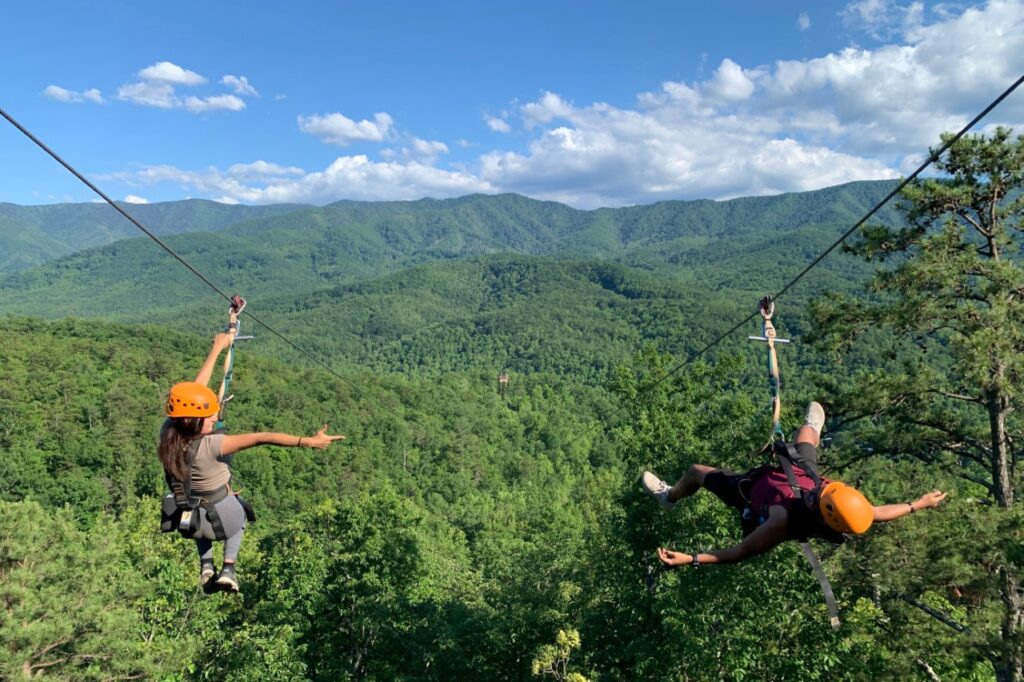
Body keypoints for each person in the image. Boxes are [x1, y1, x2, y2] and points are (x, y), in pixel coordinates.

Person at [641, 401, 947, 568]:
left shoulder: (781, 521)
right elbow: (877, 512)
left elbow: (739, 552)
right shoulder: (835, 500)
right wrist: (918, 504)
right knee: (806, 434)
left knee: (696, 471)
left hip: (751, 491)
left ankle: (669, 496)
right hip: (797, 478)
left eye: (821, 496)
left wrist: (691, 559)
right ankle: (813, 426)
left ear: (820, 510)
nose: (821, 491)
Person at [158, 331, 346, 591]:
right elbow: (262, 437)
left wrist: (217, 349)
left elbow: (196, 392)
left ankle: (206, 564)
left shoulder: (168, 432)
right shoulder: (213, 444)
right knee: (240, 514)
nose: (214, 417)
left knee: (198, 502)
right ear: (194, 419)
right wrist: (308, 441)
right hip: (221, 521)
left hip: (188, 521)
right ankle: (228, 568)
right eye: (209, 417)